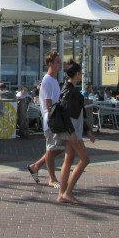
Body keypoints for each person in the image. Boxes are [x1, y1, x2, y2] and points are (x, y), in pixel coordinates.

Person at [56, 59, 93, 205]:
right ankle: (68, 192)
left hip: (72, 130)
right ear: (77, 74)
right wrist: (73, 132)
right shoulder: (70, 91)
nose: (81, 75)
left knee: (69, 159)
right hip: (72, 131)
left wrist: (87, 130)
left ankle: (62, 193)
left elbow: (75, 114)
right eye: (80, 73)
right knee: (85, 159)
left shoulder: (68, 89)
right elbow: (67, 113)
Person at [25, 51, 64, 188]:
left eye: (60, 61)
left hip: (55, 118)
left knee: (58, 147)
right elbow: (48, 103)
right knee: (51, 148)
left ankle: (36, 166)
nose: (60, 64)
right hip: (51, 119)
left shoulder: (53, 80)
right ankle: (52, 178)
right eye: (58, 61)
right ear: (50, 64)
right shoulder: (47, 80)